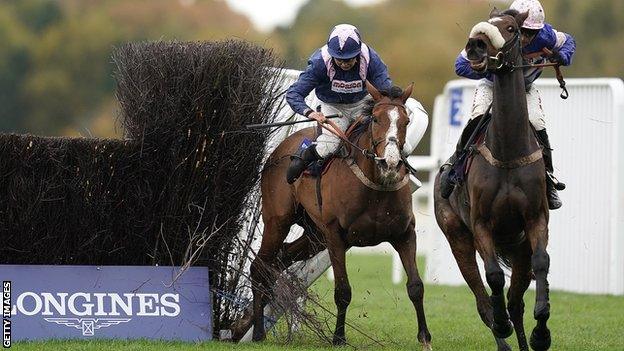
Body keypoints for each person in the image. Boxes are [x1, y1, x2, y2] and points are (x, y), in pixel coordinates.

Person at [440, 0, 576, 209]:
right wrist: (491, 68)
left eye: (532, 33)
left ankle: (548, 179)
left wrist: (562, 56)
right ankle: (455, 169)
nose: (526, 37)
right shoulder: (492, 34)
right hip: (491, 86)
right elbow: (460, 66)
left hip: (524, 89)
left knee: (538, 124)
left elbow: (568, 41)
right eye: (522, 31)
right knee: (477, 119)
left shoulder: (546, 35)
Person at [285, 23, 429, 184]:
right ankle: (303, 158)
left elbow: (385, 91)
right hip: (332, 106)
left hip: (362, 103)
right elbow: (294, 94)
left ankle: (400, 173)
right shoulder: (319, 63)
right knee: (329, 147)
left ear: (359, 52)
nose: (344, 63)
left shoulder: (371, 60)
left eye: (349, 59)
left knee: (405, 147)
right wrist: (310, 113)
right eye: (339, 59)